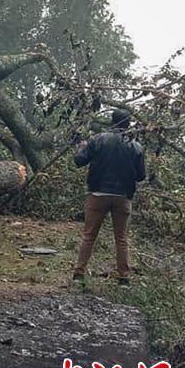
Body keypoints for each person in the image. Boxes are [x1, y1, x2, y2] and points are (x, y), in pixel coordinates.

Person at [72, 109, 146, 285]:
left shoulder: (98, 139)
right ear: (129, 124)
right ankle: (124, 278)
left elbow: (79, 161)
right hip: (123, 197)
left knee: (89, 235)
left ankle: (78, 274)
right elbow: (141, 176)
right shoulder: (136, 146)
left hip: (98, 193)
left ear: (112, 121)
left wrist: (81, 147)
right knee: (121, 238)